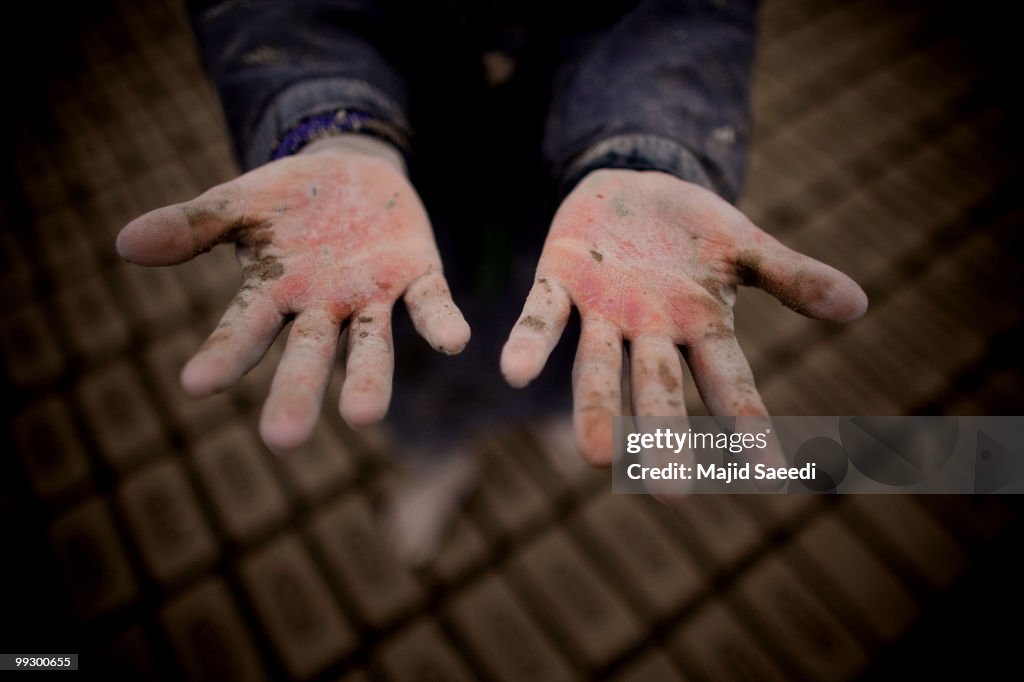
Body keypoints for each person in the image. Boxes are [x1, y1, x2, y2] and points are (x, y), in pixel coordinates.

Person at [115, 0, 867, 562]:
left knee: (582, 336)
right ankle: (443, 453)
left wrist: (647, 150)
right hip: (406, 191)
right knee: (419, 357)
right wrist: (332, 120)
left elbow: (683, 11)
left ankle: (551, 413)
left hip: (578, 196)